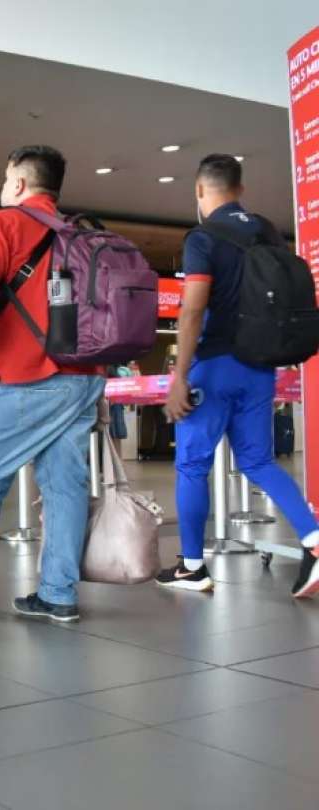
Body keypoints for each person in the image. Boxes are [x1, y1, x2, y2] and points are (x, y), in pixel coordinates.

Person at [0, 145, 104, 625]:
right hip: (82, 377)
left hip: (22, 374)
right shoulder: (80, 234)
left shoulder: (7, 224)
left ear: (17, 183)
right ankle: (57, 595)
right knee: (65, 486)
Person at [160, 154, 319, 596]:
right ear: (240, 189)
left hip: (214, 367)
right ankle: (315, 539)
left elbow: (193, 309)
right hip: (260, 365)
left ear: (198, 190)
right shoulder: (268, 232)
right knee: (258, 461)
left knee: (192, 464)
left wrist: (179, 376)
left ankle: (192, 567)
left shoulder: (203, 238)